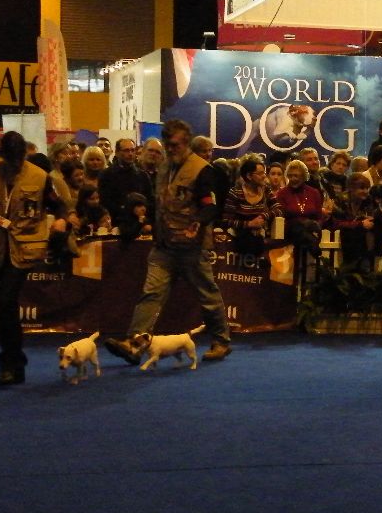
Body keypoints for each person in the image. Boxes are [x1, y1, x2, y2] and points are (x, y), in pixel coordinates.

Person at [104, 119, 233, 365]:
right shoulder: (163, 168)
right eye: (167, 144)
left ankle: (221, 341)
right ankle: (134, 344)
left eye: (175, 145)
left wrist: (198, 223)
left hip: (192, 247)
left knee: (207, 294)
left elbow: (211, 206)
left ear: (186, 143)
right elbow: (160, 201)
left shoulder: (202, 170)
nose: (170, 149)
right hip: (164, 245)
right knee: (151, 293)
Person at [0, 131, 69, 385]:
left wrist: (61, 219)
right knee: (2, 307)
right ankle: (15, 364)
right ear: (2, 156)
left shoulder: (39, 177)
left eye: (19, 159)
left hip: (24, 249)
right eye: (11, 160)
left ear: (24, 155)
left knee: (6, 300)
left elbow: (59, 205)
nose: (15, 165)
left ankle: (11, 362)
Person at [222, 157, 280, 256]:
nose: (264, 176)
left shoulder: (266, 190)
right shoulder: (236, 192)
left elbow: (278, 209)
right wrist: (249, 224)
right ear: (249, 176)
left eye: (264, 172)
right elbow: (226, 221)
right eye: (260, 173)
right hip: (241, 236)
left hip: (260, 234)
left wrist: (263, 216)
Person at [98, 138, 153, 230]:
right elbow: (104, 202)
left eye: (132, 150)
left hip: (139, 225)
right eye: (126, 150)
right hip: (115, 224)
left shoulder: (143, 176)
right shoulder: (106, 175)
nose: (130, 154)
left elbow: (149, 201)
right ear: (117, 152)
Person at [276, 158, 325, 255]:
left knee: (307, 228)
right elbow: (281, 216)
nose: (293, 179)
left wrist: (314, 225)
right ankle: (314, 247)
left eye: (296, 176)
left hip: (311, 229)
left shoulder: (314, 192)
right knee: (297, 226)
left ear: (303, 176)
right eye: (290, 176)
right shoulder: (282, 193)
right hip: (290, 230)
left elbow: (319, 216)